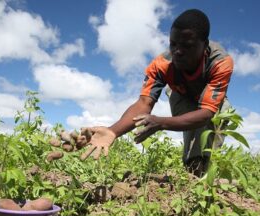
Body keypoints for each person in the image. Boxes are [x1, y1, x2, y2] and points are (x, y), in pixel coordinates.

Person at [81, 9, 233, 176]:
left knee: (209, 144)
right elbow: (143, 103)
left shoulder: (220, 62)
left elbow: (205, 113)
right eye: (173, 44)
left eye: (187, 46)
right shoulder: (161, 65)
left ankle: (206, 178)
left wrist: (160, 122)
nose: (178, 51)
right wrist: (112, 131)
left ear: (204, 45)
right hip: (181, 96)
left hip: (210, 103)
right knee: (192, 153)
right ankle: (193, 173)